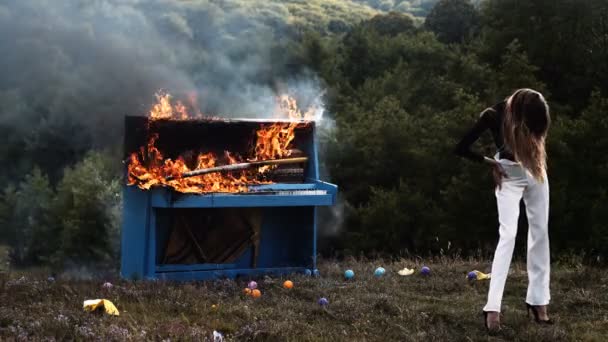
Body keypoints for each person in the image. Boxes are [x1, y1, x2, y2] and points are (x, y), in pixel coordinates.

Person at [454, 88, 553, 332]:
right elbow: (461, 148)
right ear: (516, 114)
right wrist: (491, 163)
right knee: (508, 235)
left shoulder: (535, 113)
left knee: (540, 234)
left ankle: (538, 301)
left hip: (536, 172)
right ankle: (492, 307)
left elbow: (535, 142)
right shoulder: (494, 115)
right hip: (509, 176)